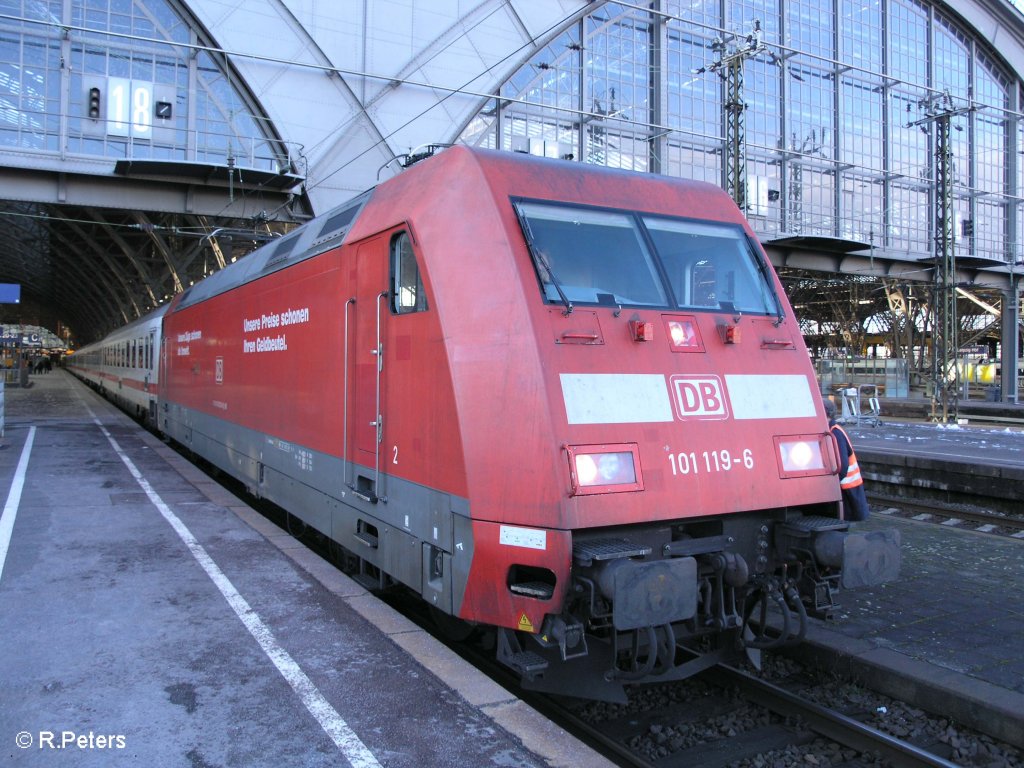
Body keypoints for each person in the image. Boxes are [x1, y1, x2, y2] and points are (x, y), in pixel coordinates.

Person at [824, 397, 869, 521]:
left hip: (847, 494)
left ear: (825, 413)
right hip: (846, 492)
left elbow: (842, 468)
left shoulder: (835, 434)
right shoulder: (831, 431)